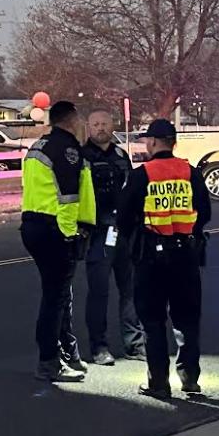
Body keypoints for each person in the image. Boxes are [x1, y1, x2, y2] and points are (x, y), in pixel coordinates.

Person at [116, 118, 211, 399]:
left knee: (153, 321)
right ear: (174, 142)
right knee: (187, 319)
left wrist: (136, 240)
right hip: (186, 255)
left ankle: (159, 381)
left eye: (148, 140)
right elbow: (204, 213)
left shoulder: (141, 174)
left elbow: (124, 217)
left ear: (154, 142)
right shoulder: (190, 173)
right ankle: (190, 378)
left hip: (151, 257)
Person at [21, 99, 96, 382]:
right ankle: (48, 362)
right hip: (54, 229)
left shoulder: (38, 146)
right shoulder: (66, 150)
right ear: (71, 120)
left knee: (60, 295)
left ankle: (67, 354)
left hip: (33, 224)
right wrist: (70, 235)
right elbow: (68, 198)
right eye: (79, 120)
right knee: (54, 299)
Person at [80, 107, 142, 365]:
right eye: (95, 124)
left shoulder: (120, 155)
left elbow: (131, 190)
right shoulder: (81, 157)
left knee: (130, 291)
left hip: (124, 231)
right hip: (98, 233)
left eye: (104, 123)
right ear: (88, 127)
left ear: (113, 125)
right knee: (99, 292)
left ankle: (134, 344)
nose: (100, 128)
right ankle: (99, 347)